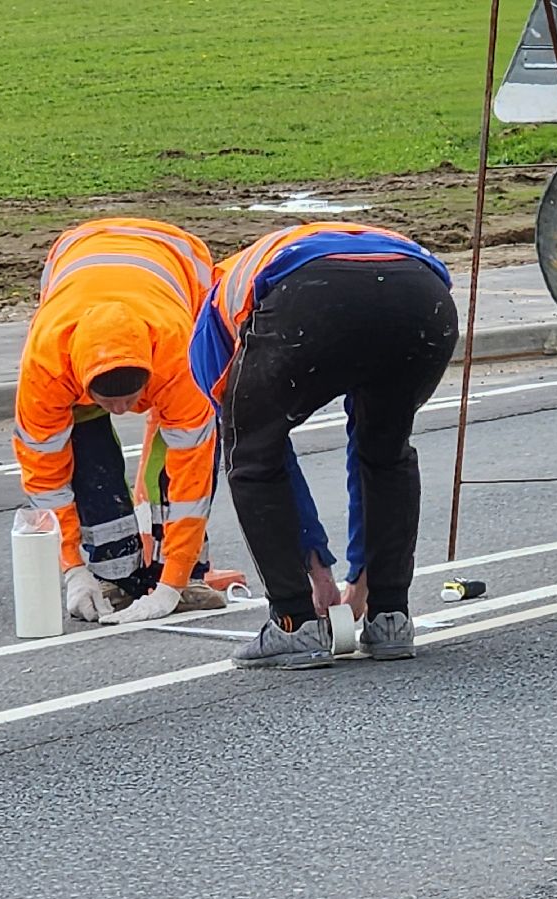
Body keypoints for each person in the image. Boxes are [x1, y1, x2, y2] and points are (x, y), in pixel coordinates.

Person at [190, 221, 459, 669]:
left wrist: (315, 579)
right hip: (421, 296)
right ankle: (391, 618)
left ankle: (293, 627)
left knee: (252, 455)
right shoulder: (268, 262)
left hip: (313, 298)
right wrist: (361, 587)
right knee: (386, 448)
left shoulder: (209, 326)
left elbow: (263, 458)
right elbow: (369, 453)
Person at [13, 217, 225, 625]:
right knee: (88, 457)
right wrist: (71, 567)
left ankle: (183, 574)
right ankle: (114, 575)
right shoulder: (47, 364)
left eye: (132, 399)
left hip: (178, 261)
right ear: (80, 381)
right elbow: (46, 476)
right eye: (109, 402)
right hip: (76, 253)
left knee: (177, 458)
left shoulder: (180, 354)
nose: (124, 410)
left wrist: (173, 583)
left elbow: (192, 477)